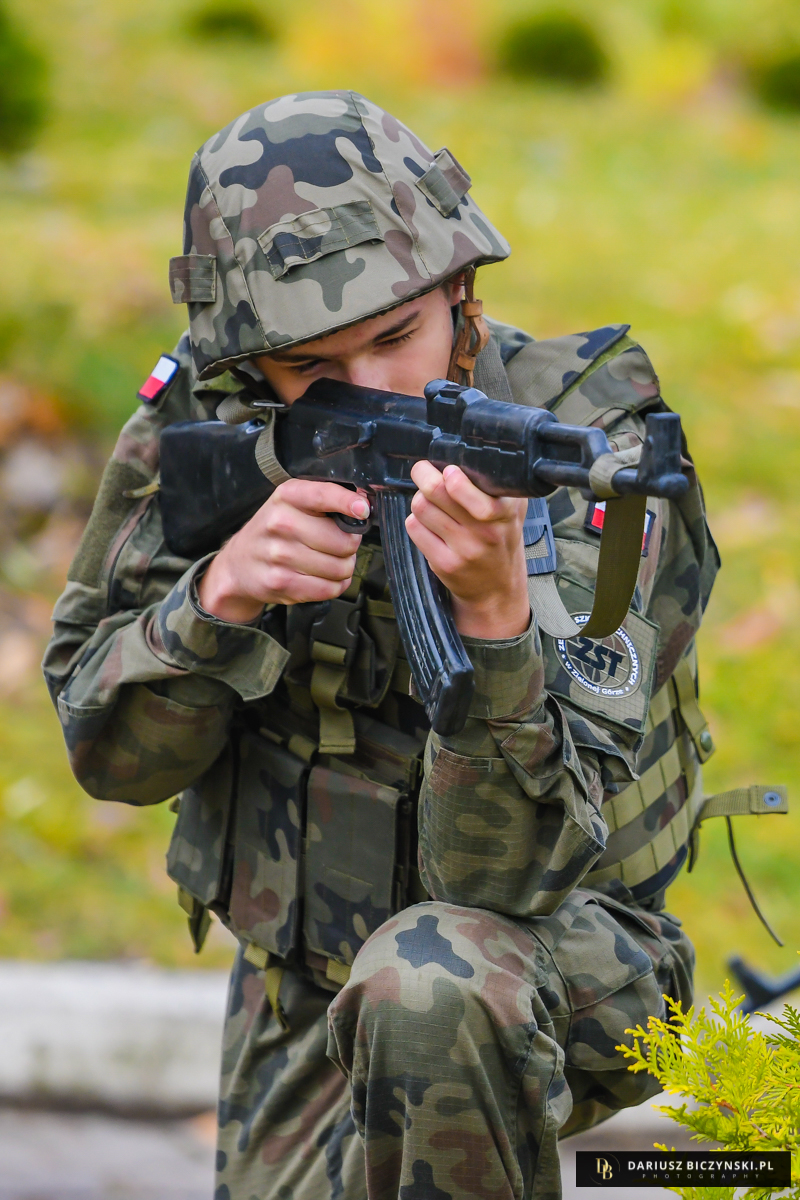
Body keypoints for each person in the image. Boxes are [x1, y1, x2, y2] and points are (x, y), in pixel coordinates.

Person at [44, 91, 720, 1200]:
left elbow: (508, 879)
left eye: (396, 337)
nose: (373, 391)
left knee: (428, 983)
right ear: (252, 366)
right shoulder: (208, 430)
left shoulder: (585, 458)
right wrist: (217, 601)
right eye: (315, 369)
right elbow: (106, 754)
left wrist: (497, 619)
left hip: (554, 973)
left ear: (459, 289)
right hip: (302, 989)